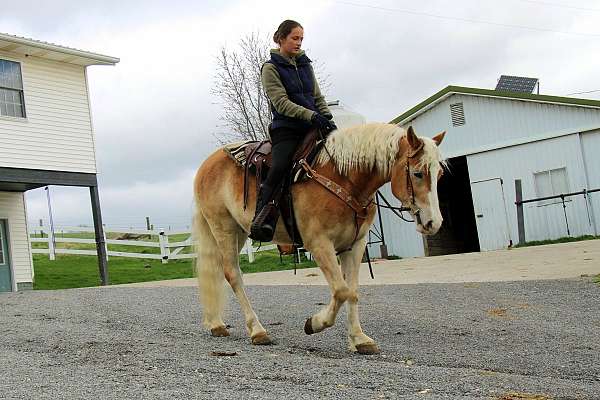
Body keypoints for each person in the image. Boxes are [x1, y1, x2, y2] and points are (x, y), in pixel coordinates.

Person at [250, 19, 337, 242]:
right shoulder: (270, 68)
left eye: (301, 39)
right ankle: (262, 216)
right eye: (294, 38)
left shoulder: (306, 64)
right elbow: (281, 103)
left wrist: (327, 117)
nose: (299, 43)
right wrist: (312, 116)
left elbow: (317, 97)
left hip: (313, 126)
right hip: (286, 129)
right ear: (281, 39)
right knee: (279, 166)